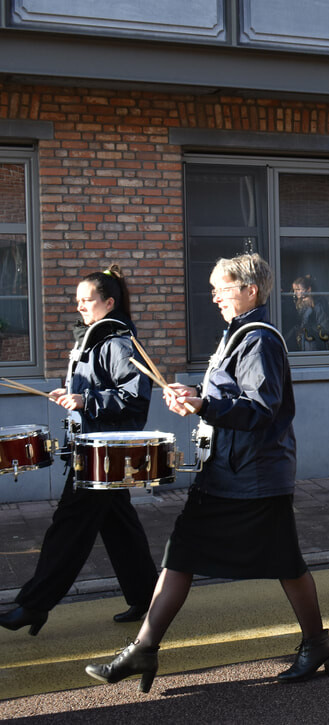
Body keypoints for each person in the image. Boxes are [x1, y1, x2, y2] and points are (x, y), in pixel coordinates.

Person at [84, 254, 329, 692]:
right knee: (181, 552)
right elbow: (229, 393)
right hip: (229, 471)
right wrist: (194, 393)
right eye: (215, 287)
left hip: (253, 476)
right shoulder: (237, 335)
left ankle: (317, 643)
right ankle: (144, 648)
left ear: (250, 291)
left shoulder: (260, 340)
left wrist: (204, 405)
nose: (214, 295)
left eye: (223, 287)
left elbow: (260, 409)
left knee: (286, 563)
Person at [0, 267, 158, 636]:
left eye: (87, 300)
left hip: (103, 455)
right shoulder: (94, 339)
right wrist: (71, 395)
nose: (80, 306)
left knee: (68, 528)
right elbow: (94, 393)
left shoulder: (117, 342)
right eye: (78, 300)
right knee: (120, 527)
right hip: (95, 451)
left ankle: (33, 605)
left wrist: (84, 398)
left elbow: (137, 397)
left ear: (108, 302)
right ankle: (148, 597)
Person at [291, 275, 329, 351]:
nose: (295, 292)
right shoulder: (296, 303)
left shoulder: (317, 305)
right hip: (302, 340)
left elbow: (324, 324)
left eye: (298, 289)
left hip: (314, 341)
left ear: (308, 289)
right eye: (294, 290)